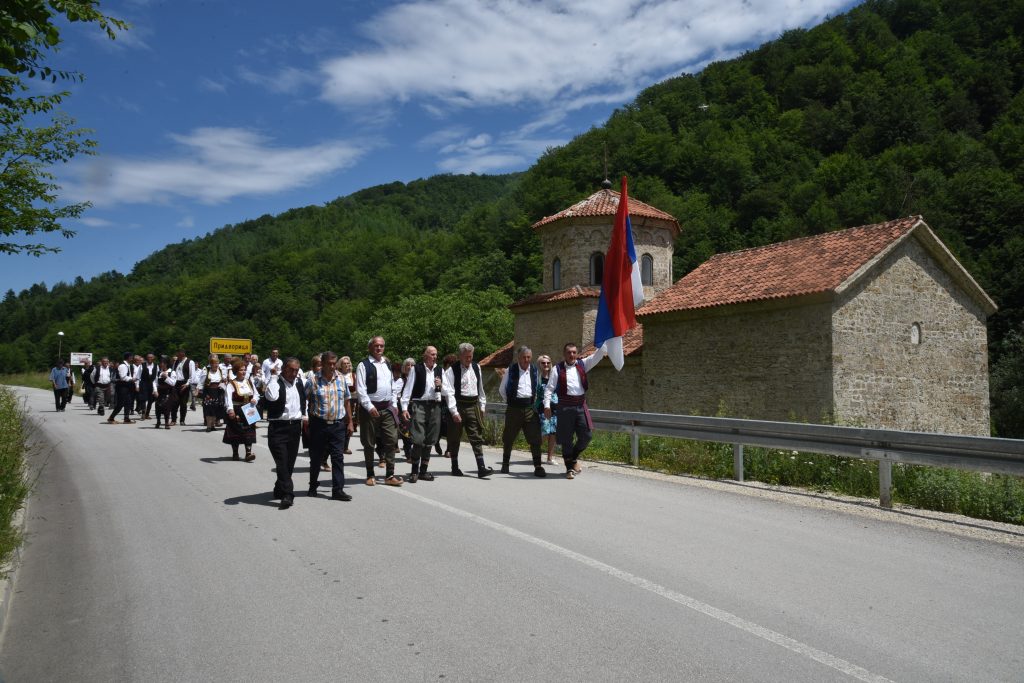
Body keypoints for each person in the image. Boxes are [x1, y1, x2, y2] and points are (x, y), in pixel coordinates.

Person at [543, 342, 606, 479]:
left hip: (580, 406)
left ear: (577, 354)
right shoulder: (557, 369)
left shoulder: (583, 364)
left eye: (574, 352)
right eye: (569, 352)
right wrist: (547, 406)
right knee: (566, 439)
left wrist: (607, 339)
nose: (572, 355)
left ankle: (573, 458)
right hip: (565, 406)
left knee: (586, 436)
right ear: (564, 354)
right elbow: (549, 389)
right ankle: (569, 469)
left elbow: (599, 355)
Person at [355, 336, 403, 487]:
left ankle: (390, 475)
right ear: (370, 347)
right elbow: (361, 389)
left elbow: (392, 386)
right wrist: (369, 407)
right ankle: (370, 474)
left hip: (387, 408)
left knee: (391, 440)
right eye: (376, 346)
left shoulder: (387, 363)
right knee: (369, 442)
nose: (379, 348)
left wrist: (394, 404)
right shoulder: (363, 365)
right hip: (370, 409)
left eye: (381, 346)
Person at [305, 351, 354, 502]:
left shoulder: (341, 378)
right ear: (323, 364)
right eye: (329, 364)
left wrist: (350, 422)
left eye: (334, 363)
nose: (332, 367)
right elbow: (305, 399)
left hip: (338, 425)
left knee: (338, 458)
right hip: (319, 424)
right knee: (316, 457)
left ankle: (337, 490)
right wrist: (305, 418)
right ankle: (313, 485)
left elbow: (347, 400)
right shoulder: (313, 380)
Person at [442, 342, 494, 478]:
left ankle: (481, 467)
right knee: (454, 437)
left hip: (473, 406)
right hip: (458, 405)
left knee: (476, 436)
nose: (469, 359)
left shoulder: (476, 367)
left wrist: (482, 406)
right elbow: (448, 392)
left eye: (470, 356)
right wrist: (454, 411)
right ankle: (454, 466)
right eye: (466, 357)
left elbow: (480, 388)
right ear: (460, 356)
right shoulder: (451, 370)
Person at [263, 357, 308, 509]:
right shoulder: (276, 382)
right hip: (278, 427)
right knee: (281, 462)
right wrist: (273, 377)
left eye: (296, 370)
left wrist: (305, 416)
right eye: (291, 370)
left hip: (295, 427)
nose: (294, 373)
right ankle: (288, 494)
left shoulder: (299, 383)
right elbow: (272, 396)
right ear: (284, 369)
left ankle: (279, 488)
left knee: (289, 464)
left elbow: (303, 401)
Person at [497, 345, 547, 477]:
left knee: (535, 438)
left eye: (528, 357)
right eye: (524, 357)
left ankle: (538, 466)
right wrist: (512, 401)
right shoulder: (511, 370)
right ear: (518, 358)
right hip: (514, 408)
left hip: (530, 408)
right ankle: (505, 463)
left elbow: (536, 388)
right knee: (509, 437)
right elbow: (502, 390)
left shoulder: (535, 371)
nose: (526, 360)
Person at [400, 346, 443, 483]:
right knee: (418, 439)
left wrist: (441, 386)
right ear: (425, 356)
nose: (434, 357)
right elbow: (408, 389)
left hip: (435, 405)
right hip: (419, 404)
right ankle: (414, 471)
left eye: (436, 354)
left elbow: (448, 390)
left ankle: (423, 471)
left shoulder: (440, 370)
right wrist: (404, 408)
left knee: (430, 440)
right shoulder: (416, 369)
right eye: (432, 354)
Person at [223, 358, 259, 461]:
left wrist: (254, 400)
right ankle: (235, 453)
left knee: (250, 430)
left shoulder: (249, 382)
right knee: (236, 431)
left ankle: (248, 453)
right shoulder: (231, 384)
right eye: (241, 370)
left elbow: (256, 394)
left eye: (244, 370)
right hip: (237, 409)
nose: (243, 372)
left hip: (249, 408)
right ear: (236, 372)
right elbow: (228, 398)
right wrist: (230, 410)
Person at [537, 354, 558, 465]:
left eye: (548, 363)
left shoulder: (554, 378)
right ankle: (536, 453)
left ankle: (550, 458)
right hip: (542, 409)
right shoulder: (537, 379)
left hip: (555, 409)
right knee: (544, 432)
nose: (546, 365)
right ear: (539, 365)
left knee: (553, 433)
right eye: (543, 363)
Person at [196, 354, 226, 432]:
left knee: (216, 409)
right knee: (209, 409)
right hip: (209, 391)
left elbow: (222, 379)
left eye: (217, 363)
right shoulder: (206, 370)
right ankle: (209, 426)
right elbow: (201, 381)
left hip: (218, 391)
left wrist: (223, 382)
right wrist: (198, 390)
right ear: (211, 363)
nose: (216, 365)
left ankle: (213, 425)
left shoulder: (220, 370)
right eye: (214, 363)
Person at [108, 352, 136, 424]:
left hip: (128, 387)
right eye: (131, 357)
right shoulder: (122, 366)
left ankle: (126, 418)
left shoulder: (129, 366)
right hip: (122, 387)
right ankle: (111, 418)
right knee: (121, 403)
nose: (132, 359)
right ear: (128, 358)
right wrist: (131, 379)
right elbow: (123, 377)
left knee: (128, 402)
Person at [171, 350, 196, 426]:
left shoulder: (190, 362)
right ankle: (173, 420)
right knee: (174, 403)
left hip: (185, 383)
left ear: (182, 354)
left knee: (183, 403)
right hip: (176, 383)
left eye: (178, 355)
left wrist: (187, 384)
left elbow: (192, 375)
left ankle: (182, 420)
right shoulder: (176, 362)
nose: (177, 356)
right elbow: (172, 372)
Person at [339, 356, 356, 455]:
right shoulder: (338, 375)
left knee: (350, 424)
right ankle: (340, 444)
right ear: (340, 365)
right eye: (344, 363)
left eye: (348, 363)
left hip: (353, 401)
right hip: (341, 402)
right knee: (341, 423)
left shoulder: (353, 375)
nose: (346, 365)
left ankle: (345, 446)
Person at [154, 357, 178, 429]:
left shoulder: (172, 372)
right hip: (160, 392)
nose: (161, 365)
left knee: (166, 408)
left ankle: (166, 422)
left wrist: (166, 378)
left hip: (168, 393)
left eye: (163, 363)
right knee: (158, 407)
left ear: (166, 364)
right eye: (160, 363)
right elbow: (155, 382)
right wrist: (155, 390)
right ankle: (158, 421)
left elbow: (173, 383)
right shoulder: (158, 372)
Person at [137, 353, 157, 419]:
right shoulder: (142, 365)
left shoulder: (156, 366)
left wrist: (155, 389)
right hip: (143, 383)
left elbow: (156, 378)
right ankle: (143, 413)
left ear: (153, 358)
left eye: (151, 357)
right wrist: (137, 385)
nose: (150, 358)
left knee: (151, 400)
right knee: (143, 399)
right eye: (148, 357)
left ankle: (147, 414)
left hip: (151, 384)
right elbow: (138, 376)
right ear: (146, 358)